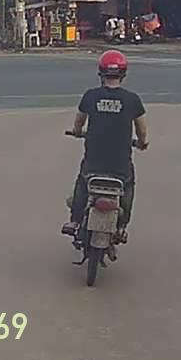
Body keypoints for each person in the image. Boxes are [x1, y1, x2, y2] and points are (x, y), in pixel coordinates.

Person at [62, 50, 149, 242]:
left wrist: (77, 132)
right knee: (128, 187)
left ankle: (75, 221)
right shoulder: (132, 99)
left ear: (101, 72)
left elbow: (79, 122)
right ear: (123, 73)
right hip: (120, 166)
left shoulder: (90, 96)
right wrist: (142, 143)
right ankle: (121, 227)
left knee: (83, 183)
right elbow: (141, 129)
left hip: (94, 162)